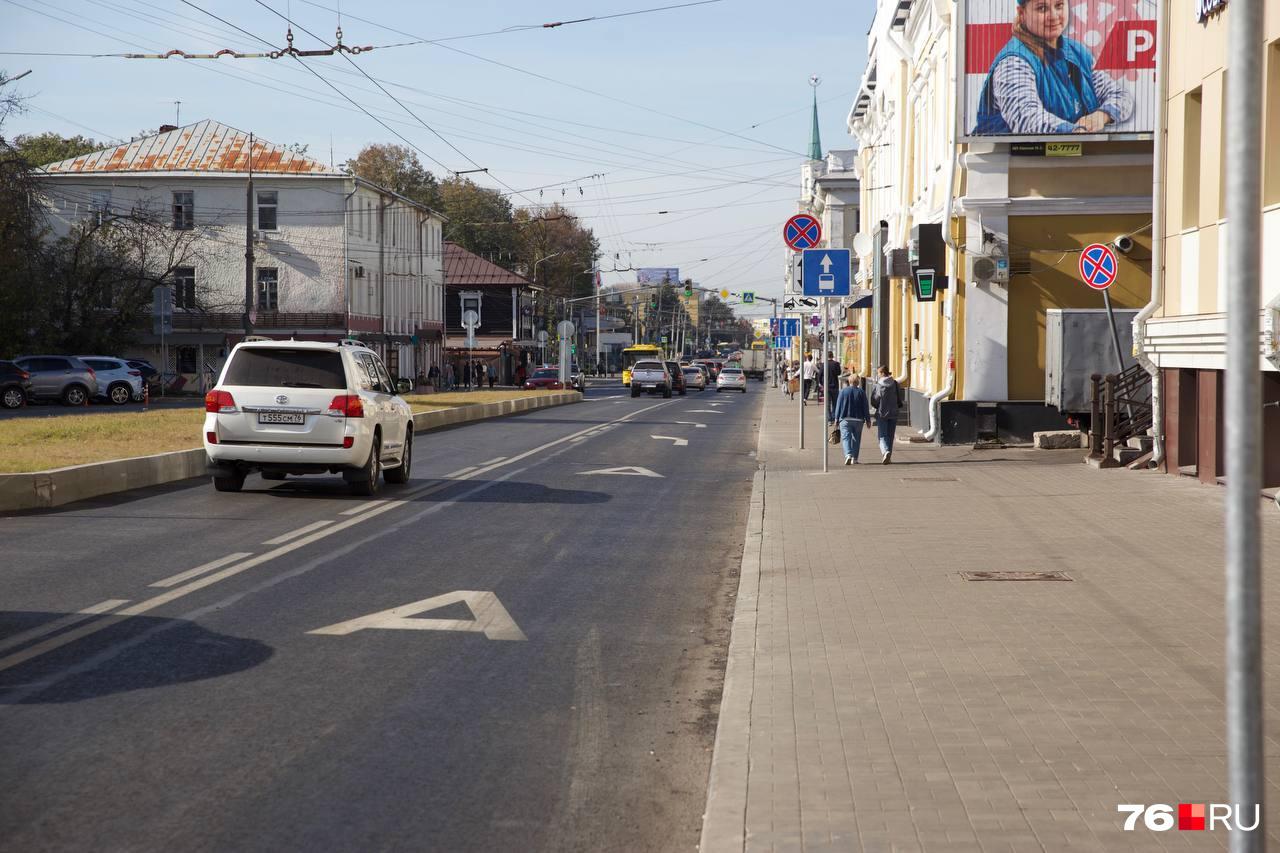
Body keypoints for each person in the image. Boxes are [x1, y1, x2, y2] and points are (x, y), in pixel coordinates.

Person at [972, 0, 1134, 136]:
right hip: (1010, 164)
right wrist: (1076, 131)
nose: (1054, 16)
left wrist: (1101, 116)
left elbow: (1121, 97)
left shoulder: (1078, 53)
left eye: (1059, 5)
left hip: (1070, 160)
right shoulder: (1013, 62)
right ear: (1022, 13)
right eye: (1042, 8)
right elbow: (1027, 120)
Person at [832, 372, 870, 465]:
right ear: (858, 382)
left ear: (849, 381)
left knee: (846, 438)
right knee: (856, 439)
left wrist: (836, 418)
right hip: (858, 420)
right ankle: (855, 459)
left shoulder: (843, 391)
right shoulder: (861, 392)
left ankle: (848, 455)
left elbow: (838, 406)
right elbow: (865, 406)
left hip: (845, 419)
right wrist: (868, 420)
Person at [870, 365, 901, 464]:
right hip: (893, 412)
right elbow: (899, 397)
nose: (878, 375)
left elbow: (875, 399)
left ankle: (885, 452)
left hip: (882, 413)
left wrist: (876, 406)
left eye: (878, 373)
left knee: (882, 435)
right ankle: (889, 456)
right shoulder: (895, 383)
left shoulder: (878, 385)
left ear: (882, 373)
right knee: (890, 435)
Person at [823, 351, 842, 423]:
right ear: (832, 356)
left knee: (827, 403)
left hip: (827, 386)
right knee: (835, 403)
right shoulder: (836, 364)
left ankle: (829, 418)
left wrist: (822, 383)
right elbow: (839, 373)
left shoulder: (824, 364)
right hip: (835, 386)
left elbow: (820, 374)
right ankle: (834, 417)